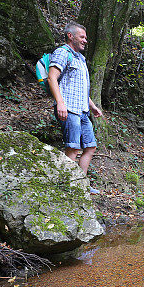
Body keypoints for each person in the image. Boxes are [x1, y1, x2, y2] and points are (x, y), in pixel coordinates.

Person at [47, 22, 103, 188]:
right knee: (73, 148)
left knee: (90, 147)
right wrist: (60, 103)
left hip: (83, 110)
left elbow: (81, 88)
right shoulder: (62, 53)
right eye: (82, 37)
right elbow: (52, 78)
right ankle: (67, 186)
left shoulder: (80, 58)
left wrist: (92, 105)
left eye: (86, 37)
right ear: (70, 36)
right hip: (69, 109)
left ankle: (81, 184)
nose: (85, 40)